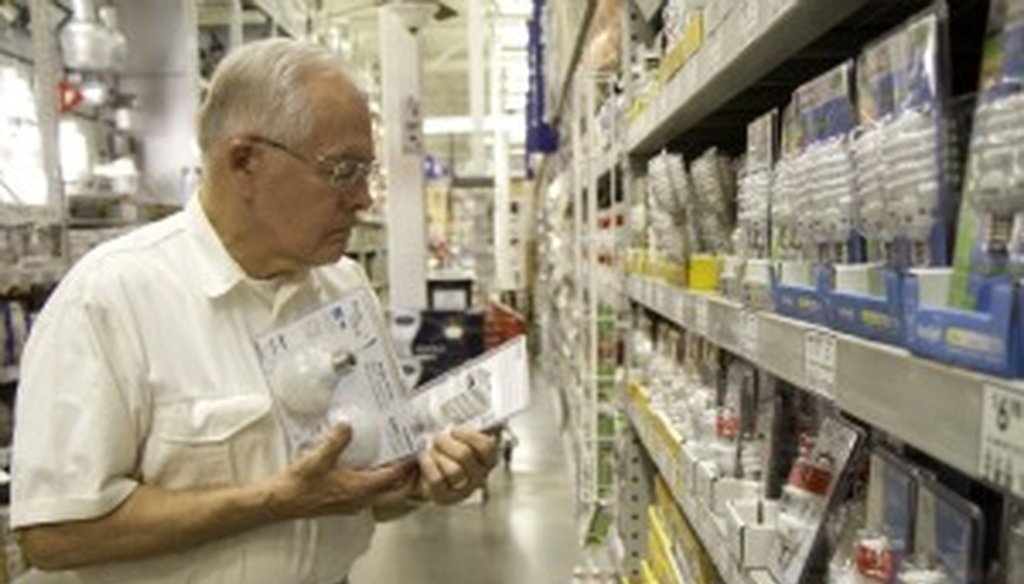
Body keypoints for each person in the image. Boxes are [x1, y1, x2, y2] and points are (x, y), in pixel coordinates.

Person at [11, 38, 499, 583]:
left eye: (367, 174)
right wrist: (274, 500)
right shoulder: (110, 298)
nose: (363, 199)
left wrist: (426, 481)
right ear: (244, 161)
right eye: (343, 171)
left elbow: (366, 493)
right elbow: (53, 536)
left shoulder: (343, 287)